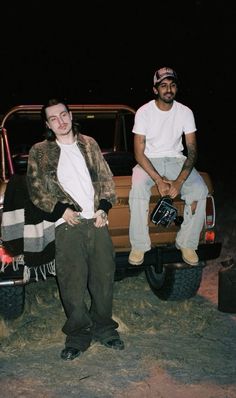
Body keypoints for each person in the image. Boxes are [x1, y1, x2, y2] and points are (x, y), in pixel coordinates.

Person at [26, 98, 124, 361]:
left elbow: (106, 179)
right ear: (47, 124)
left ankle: (104, 327)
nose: (61, 121)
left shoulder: (89, 144)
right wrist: (61, 210)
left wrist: (104, 208)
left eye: (63, 114)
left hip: (97, 222)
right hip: (68, 225)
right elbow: (36, 190)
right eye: (53, 118)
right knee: (72, 283)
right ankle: (79, 334)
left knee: (104, 278)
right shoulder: (40, 151)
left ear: (70, 115)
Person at [128, 67, 208, 267]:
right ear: (155, 89)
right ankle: (139, 245)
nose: (168, 89)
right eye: (163, 85)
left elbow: (192, 151)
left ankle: (187, 243)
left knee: (200, 189)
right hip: (149, 159)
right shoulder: (144, 112)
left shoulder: (185, 112)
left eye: (172, 85)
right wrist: (157, 180)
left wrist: (179, 182)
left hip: (176, 159)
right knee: (137, 186)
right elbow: (139, 153)